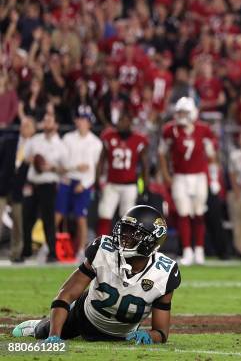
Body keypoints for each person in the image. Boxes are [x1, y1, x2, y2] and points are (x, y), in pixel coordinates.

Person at [12, 205, 180, 345]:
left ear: (152, 240)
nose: (124, 237)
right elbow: (66, 294)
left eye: (134, 233)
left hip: (123, 334)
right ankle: (37, 326)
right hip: (85, 316)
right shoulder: (103, 250)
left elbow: (161, 332)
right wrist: (53, 334)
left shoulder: (164, 273)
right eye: (125, 230)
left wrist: (150, 336)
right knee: (46, 331)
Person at [159, 97, 217, 266]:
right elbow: (162, 153)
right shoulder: (170, 130)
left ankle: (199, 250)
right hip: (180, 176)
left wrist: (213, 178)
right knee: (183, 213)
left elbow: (212, 155)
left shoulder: (204, 130)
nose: (181, 115)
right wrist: (165, 174)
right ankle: (187, 250)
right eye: (179, 112)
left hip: (199, 176)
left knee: (198, 213)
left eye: (184, 112)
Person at [56, 112, 103, 261]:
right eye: (80, 119)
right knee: (58, 214)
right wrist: (75, 168)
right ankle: (49, 245)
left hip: (84, 182)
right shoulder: (68, 138)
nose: (82, 122)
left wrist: (84, 184)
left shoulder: (96, 143)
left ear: (89, 123)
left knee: (81, 217)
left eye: (85, 120)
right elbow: (62, 163)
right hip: (67, 179)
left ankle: (81, 249)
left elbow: (92, 168)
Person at [22, 112, 68, 263]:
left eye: (50, 121)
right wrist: (35, 162)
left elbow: (65, 169)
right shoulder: (35, 140)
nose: (46, 123)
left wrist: (51, 168)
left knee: (48, 220)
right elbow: (27, 158)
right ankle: (27, 251)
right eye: (45, 120)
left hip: (48, 185)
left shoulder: (60, 145)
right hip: (33, 183)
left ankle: (52, 253)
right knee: (27, 218)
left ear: (56, 125)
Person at [96, 110, 149, 236]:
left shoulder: (139, 139)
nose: (119, 123)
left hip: (129, 185)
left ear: (130, 123)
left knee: (128, 219)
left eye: (123, 121)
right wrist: (97, 180)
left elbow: (145, 166)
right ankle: (101, 247)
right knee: (104, 214)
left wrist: (145, 186)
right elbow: (101, 160)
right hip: (112, 183)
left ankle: (125, 250)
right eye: (119, 120)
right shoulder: (109, 137)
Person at [0, 116, 35, 263]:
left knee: (18, 223)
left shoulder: (35, 146)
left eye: (27, 125)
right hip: (2, 186)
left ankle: (16, 253)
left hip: (19, 189)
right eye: (23, 125)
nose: (24, 127)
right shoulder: (9, 141)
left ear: (33, 129)